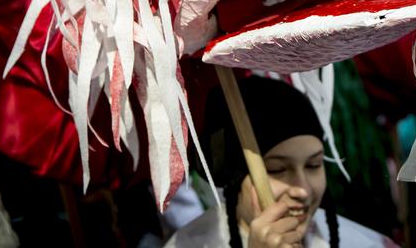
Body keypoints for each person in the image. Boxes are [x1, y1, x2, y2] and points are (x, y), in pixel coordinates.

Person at [165, 76, 396, 248]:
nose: (303, 189)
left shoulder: (367, 243)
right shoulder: (188, 244)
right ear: (233, 180)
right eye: (277, 169)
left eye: (314, 165)